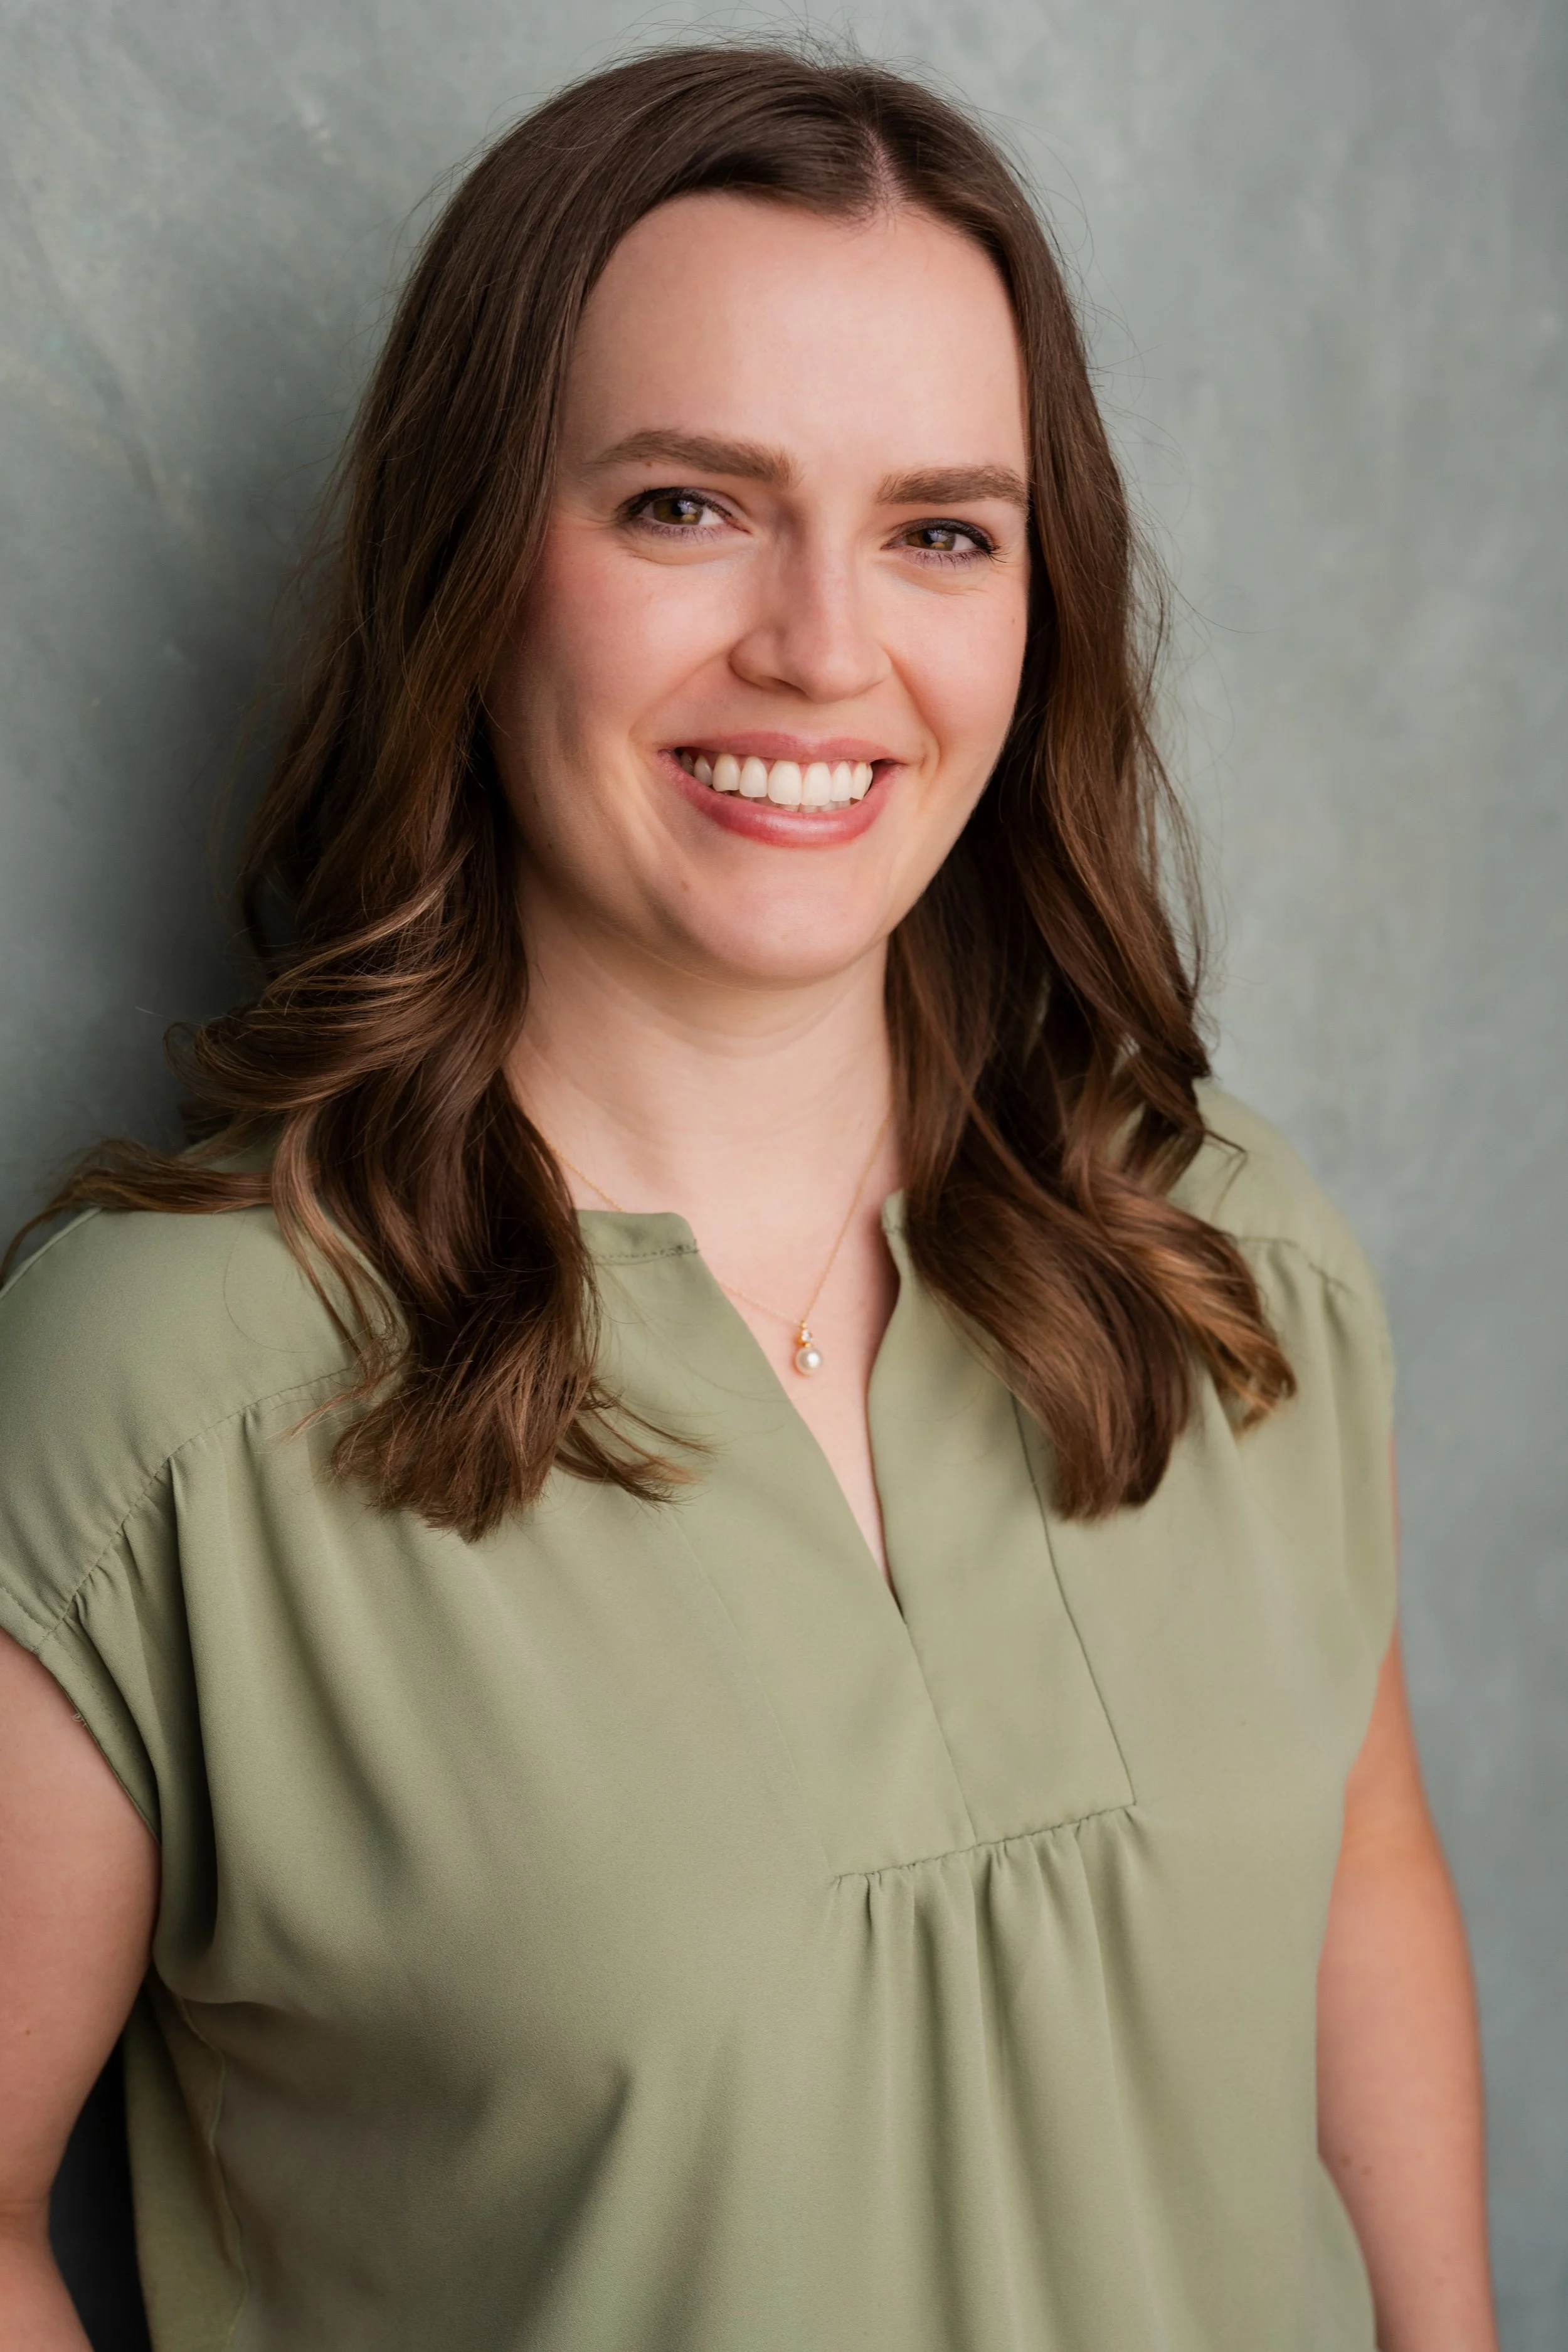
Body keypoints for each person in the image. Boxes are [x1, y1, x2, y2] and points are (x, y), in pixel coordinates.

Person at [0, 42, 1498, 2352]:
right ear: (472, 553)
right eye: (686, 506)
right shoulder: (159, 1392)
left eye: (939, 527)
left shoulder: (1223, 1257)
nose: (824, 645)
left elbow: (1355, 1899)